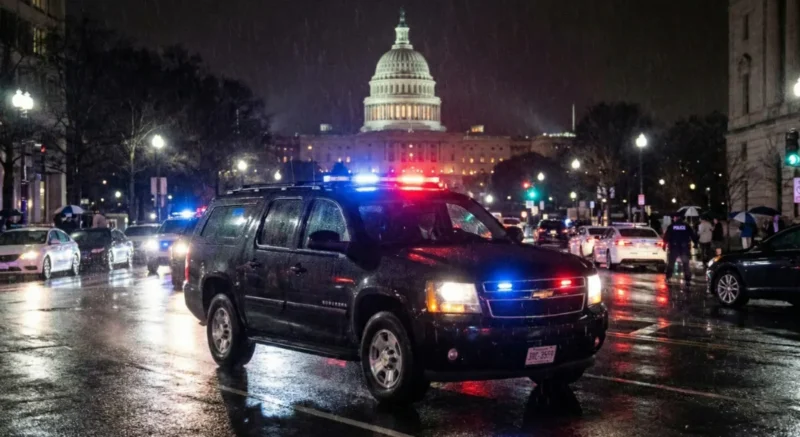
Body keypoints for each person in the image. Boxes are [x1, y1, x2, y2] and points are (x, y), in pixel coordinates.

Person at [663, 214, 698, 286]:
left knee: (671, 263)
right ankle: (687, 279)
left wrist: (664, 244)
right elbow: (693, 235)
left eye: (674, 217)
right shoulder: (686, 226)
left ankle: (668, 277)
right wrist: (695, 243)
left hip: (674, 247)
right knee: (686, 264)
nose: (673, 219)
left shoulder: (672, 226)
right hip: (684, 247)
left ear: (676, 218)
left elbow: (666, 236)